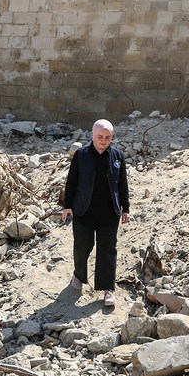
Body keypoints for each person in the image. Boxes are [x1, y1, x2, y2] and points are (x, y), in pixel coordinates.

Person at [61, 118, 130, 307]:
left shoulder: (117, 156)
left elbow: (122, 184)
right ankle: (79, 276)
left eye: (107, 137)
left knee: (108, 249)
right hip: (83, 211)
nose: (103, 140)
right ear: (93, 135)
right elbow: (72, 181)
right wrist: (67, 206)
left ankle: (108, 289)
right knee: (83, 245)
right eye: (100, 136)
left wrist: (126, 208)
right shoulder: (81, 154)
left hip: (109, 213)